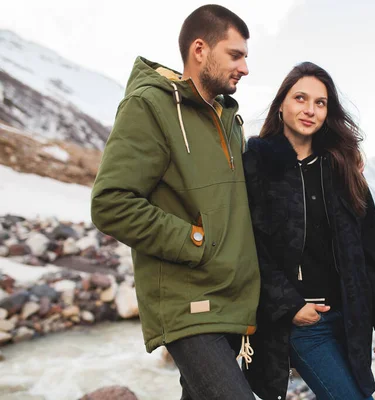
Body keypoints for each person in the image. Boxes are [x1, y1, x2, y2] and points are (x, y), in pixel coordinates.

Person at [91, 5, 259, 399]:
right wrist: (195, 241)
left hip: (232, 303)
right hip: (189, 304)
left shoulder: (230, 120)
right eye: (236, 55)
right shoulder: (150, 107)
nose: (245, 68)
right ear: (200, 49)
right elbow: (111, 202)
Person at [243, 62, 375, 400]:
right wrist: (289, 306)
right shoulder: (256, 164)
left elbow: (370, 248)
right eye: (300, 98)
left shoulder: (342, 167)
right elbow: (249, 246)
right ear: (281, 104)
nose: (310, 110)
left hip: (349, 318)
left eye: (320, 102)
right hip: (303, 322)